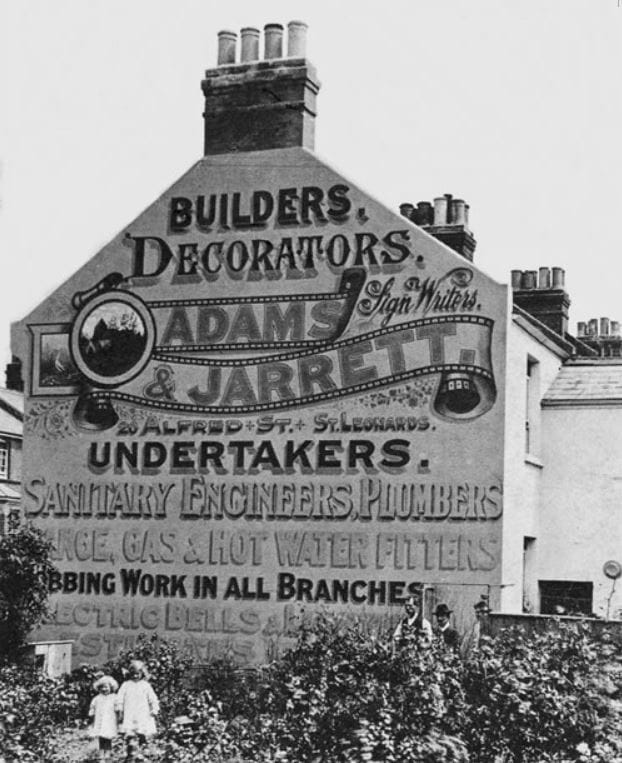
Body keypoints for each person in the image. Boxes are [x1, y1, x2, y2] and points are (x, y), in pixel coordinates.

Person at [115, 660, 159, 761]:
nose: (135, 676)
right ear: (130, 674)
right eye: (133, 674)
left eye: (137, 674)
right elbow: (120, 698)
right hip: (130, 711)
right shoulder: (126, 685)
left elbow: (152, 698)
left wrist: (154, 709)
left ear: (142, 673)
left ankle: (143, 751)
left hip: (142, 712)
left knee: (142, 731)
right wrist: (119, 709)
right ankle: (130, 753)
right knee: (130, 733)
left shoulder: (145, 685)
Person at [88, 674, 119, 762]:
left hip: (109, 720)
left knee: (108, 737)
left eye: (106, 687)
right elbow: (93, 706)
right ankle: (101, 754)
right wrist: (91, 712)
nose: (104, 689)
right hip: (100, 720)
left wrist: (118, 710)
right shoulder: (97, 698)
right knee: (101, 737)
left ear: (111, 687)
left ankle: (108, 753)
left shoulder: (114, 697)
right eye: (101, 687)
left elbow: (118, 705)